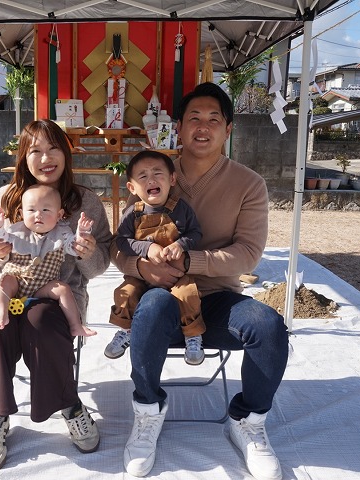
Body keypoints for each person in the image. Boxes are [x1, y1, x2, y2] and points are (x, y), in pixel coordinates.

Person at [113, 82, 289, 480]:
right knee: (152, 306)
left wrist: (192, 259)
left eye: (214, 119)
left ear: (228, 129)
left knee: (268, 326)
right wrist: (143, 268)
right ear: (178, 127)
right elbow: (119, 246)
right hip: (159, 296)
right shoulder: (153, 172)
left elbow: (248, 253)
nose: (203, 126)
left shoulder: (248, 184)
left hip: (216, 299)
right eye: (194, 118)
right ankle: (148, 410)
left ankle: (247, 420)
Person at [0, 119, 113, 472]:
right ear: (24, 156)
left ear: (66, 154)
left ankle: (70, 406)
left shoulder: (86, 202)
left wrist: (88, 252)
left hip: (56, 293)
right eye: (36, 151)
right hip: (6, 284)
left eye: (53, 149)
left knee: (43, 323)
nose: (45, 159)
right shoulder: (5, 197)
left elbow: (101, 259)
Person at [104, 150, 205, 365]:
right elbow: (121, 241)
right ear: (131, 187)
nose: (151, 180)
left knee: (189, 294)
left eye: (158, 173)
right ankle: (126, 330)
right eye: (143, 176)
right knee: (125, 293)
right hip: (141, 276)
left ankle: (193, 335)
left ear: (172, 179)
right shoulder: (132, 213)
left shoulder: (181, 209)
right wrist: (147, 248)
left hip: (176, 274)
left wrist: (180, 245)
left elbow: (195, 233)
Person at [0, 184, 97, 337]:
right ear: (22, 213)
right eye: (31, 210)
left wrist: (82, 232)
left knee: (63, 289)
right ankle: (1, 313)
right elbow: (1, 240)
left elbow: (74, 246)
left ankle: (76, 325)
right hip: (17, 280)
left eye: (45, 210)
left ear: (59, 215)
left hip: (44, 287)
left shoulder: (62, 233)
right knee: (4, 282)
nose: (38, 215)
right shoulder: (17, 231)